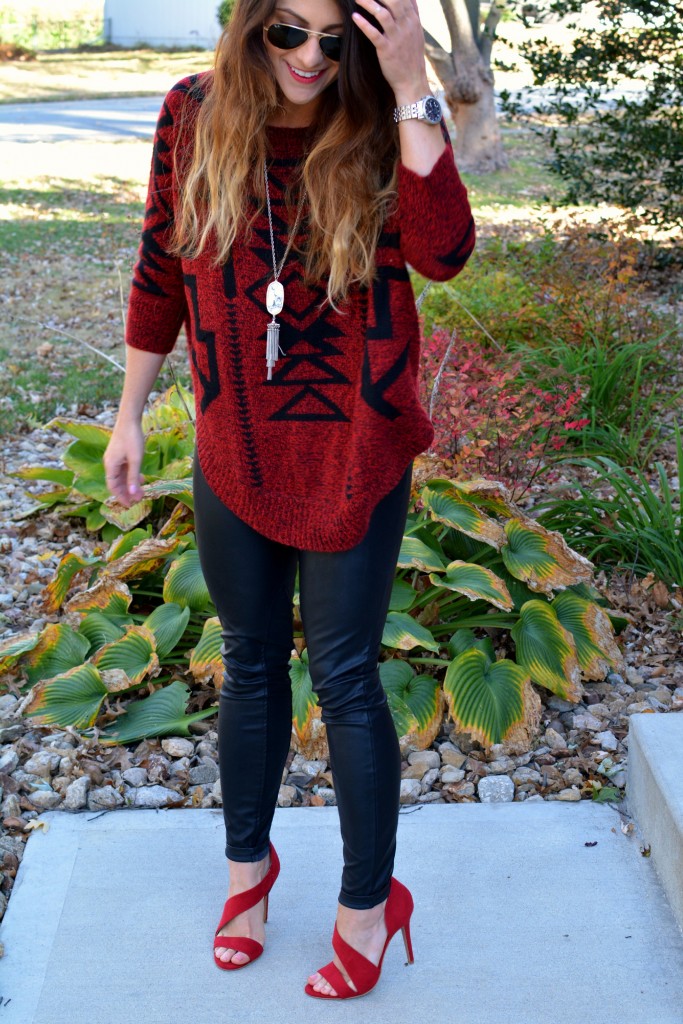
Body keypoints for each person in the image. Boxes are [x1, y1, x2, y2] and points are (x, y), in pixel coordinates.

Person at [103, 0, 475, 1001]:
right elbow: (158, 273)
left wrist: (408, 89)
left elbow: (443, 251)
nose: (311, 57)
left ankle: (366, 904)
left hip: (355, 445)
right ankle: (246, 875)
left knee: (347, 676)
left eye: (334, 39)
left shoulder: (377, 119)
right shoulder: (192, 113)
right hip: (236, 438)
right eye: (288, 33)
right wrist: (130, 415)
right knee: (249, 663)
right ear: (250, 26)